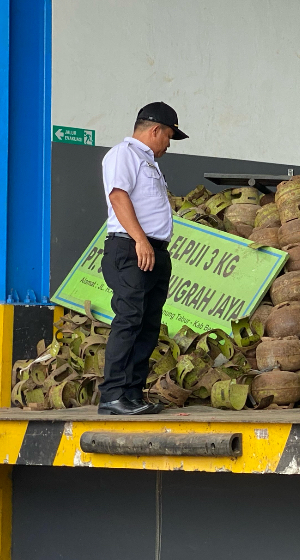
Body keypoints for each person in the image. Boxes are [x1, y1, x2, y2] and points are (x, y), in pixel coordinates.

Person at [97, 102, 188, 415]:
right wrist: (140, 240)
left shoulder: (148, 162)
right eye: (169, 137)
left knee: (148, 325)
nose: (168, 144)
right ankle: (112, 396)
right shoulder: (124, 154)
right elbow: (118, 196)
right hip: (131, 249)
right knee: (130, 320)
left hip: (153, 251)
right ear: (155, 130)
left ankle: (131, 395)